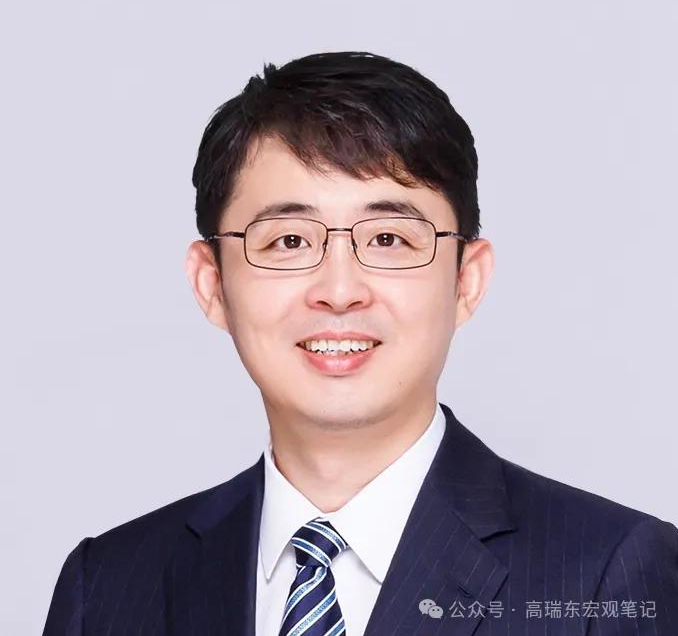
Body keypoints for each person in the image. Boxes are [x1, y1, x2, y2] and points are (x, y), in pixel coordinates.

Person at [43, 51, 678, 636]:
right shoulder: (107, 587)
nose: (340, 291)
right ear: (212, 284)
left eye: (388, 240)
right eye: (289, 241)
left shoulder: (609, 573)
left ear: (467, 280)